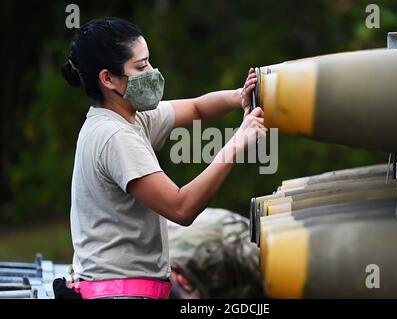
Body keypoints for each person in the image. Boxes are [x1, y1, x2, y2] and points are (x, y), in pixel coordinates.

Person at [59, 17, 265, 299]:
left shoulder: (130, 117)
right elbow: (182, 208)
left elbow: (196, 108)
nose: (153, 72)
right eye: (141, 66)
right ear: (108, 79)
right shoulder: (114, 136)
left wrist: (238, 96)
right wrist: (237, 144)